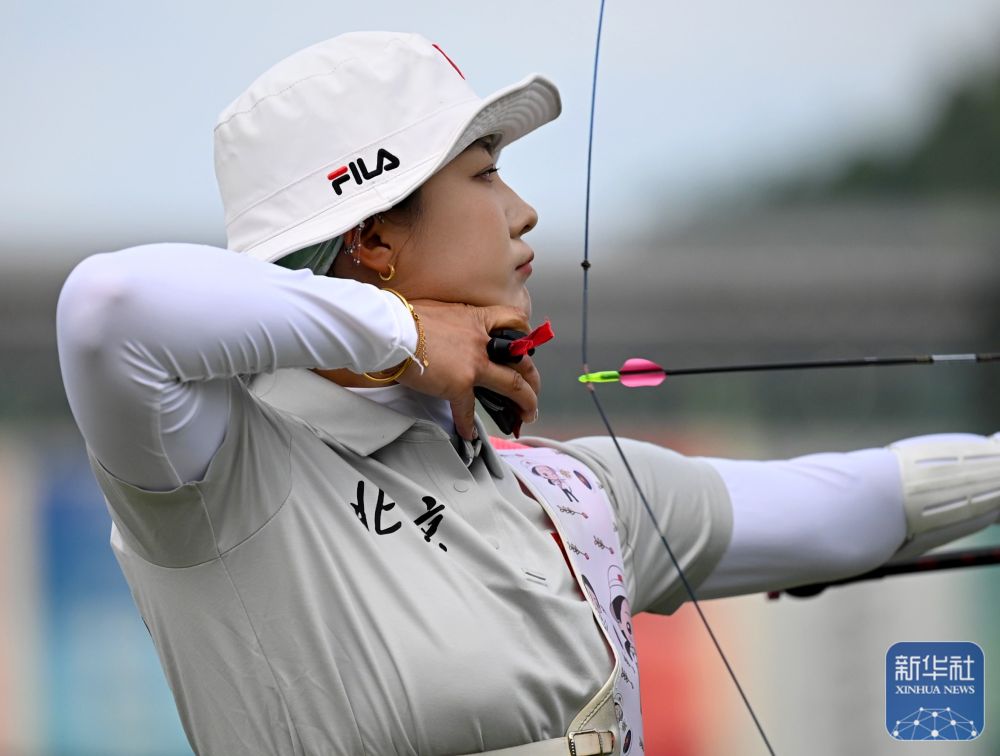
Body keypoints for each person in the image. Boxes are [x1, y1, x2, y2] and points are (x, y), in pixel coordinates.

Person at [56, 31, 1000, 756]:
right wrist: (404, 334)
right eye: (486, 172)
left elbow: (854, 505)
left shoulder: (574, 495)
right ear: (373, 239)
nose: (523, 212)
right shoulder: (223, 473)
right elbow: (108, 310)